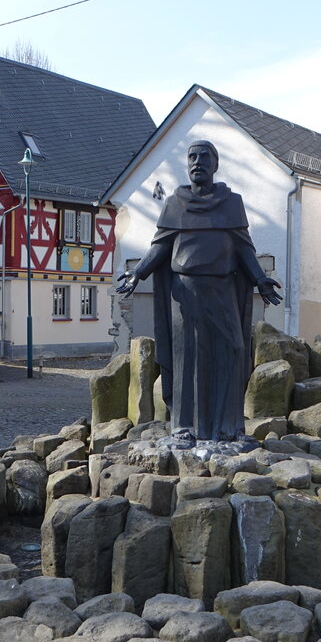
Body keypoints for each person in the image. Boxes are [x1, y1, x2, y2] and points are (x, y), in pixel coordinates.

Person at [116, 140, 281, 443]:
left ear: (216, 165)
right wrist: (138, 272)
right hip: (185, 292)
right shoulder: (174, 204)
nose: (198, 161)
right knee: (186, 356)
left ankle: (227, 426)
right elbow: (161, 246)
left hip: (222, 290)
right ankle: (183, 426)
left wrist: (260, 278)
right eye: (192, 156)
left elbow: (244, 247)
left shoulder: (232, 203)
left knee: (233, 350)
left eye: (205, 156)